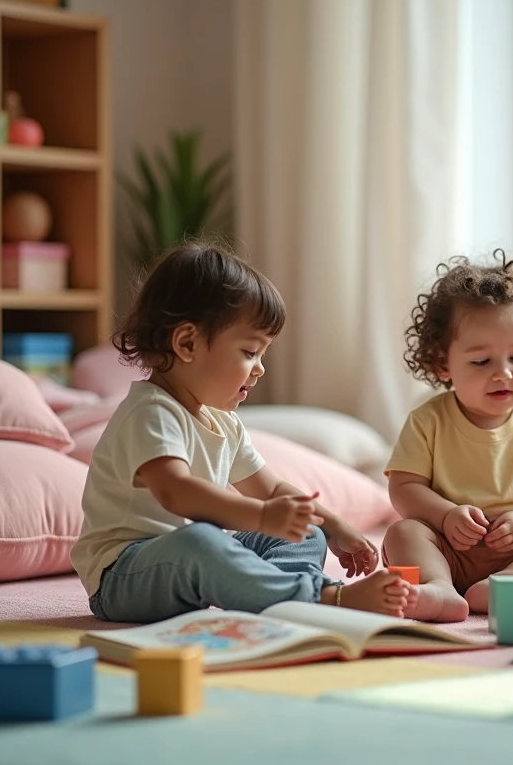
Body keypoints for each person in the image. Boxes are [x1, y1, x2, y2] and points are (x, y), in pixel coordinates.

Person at [71, 242, 408, 623]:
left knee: (303, 534)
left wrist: (334, 526)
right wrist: (262, 517)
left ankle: (287, 598)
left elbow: (274, 491)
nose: (260, 368)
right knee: (202, 541)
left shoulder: (223, 423)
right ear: (187, 344)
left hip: (192, 561)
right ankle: (322, 598)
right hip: (123, 577)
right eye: (250, 352)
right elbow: (175, 492)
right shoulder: (150, 411)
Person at [382, 251, 513, 622]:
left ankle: (506, 586)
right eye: (481, 361)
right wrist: (444, 517)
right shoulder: (428, 420)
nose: (503, 374)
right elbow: (404, 487)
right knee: (402, 533)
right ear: (443, 363)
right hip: (449, 549)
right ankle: (439, 588)